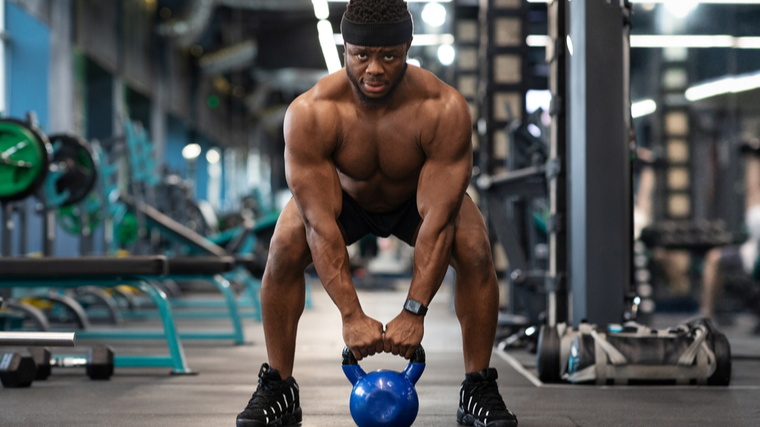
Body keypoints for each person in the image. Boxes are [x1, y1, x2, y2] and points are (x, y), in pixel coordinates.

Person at [236, 1, 518, 426]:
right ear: (345, 47)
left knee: (475, 247)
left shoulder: (443, 108)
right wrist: (351, 315)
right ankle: (279, 385)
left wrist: (414, 311)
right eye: (361, 55)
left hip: (414, 203)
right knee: (284, 245)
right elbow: (318, 223)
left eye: (389, 55)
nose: (374, 69)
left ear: (407, 46)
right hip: (344, 202)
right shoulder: (311, 113)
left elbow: (439, 222)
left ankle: (477, 384)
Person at [700, 138, 760, 320]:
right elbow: (752, 191)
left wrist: (753, 158)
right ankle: (707, 314)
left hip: (754, 258)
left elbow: (752, 191)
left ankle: (706, 313)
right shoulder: (756, 214)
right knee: (713, 258)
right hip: (752, 254)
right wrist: (753, 157)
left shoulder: (756, 214)